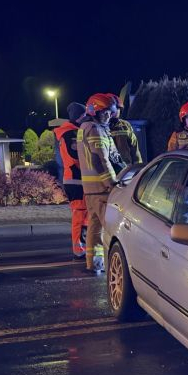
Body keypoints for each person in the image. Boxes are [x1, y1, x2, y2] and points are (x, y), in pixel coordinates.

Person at [78, 93, 120, 272]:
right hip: (102, 189)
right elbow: (100, 159)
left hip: (90, 189)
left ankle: (94, 263)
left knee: (94, 228)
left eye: (110, 113)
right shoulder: (95, 129)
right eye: (105, 113)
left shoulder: (85, 128)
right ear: (94, 111)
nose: (109, 116)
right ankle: (115, 266)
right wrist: (112, 182)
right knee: (110, 229)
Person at [54, 102, 89, 260]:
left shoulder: (69, 133)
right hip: (76, 180)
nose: (86, 118)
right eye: (83, 116)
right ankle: (79, 248)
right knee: (80, 215)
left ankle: (83, 246)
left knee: (83, 215)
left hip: (75, 179)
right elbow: (75, 157)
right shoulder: (70, 134)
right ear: (78, 117)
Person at [108, 101, 142, 170]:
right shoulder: (101, 127)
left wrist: (138, 167)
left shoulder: (125, 125)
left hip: (126, 167)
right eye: (115, 109)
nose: (117, 111)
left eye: (119, 109)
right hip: (109, 168)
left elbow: (134, 147)